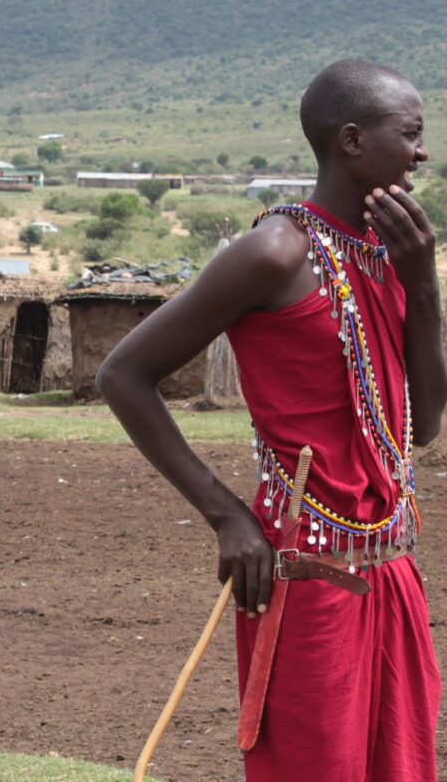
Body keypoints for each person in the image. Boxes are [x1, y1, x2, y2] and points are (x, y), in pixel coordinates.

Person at [96, 59, 445, 781]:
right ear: (352, 141)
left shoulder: (389, 254)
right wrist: (226, 515)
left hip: (392, 567)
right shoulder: (273, 253)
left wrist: (423, 285)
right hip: (305, 570)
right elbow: (123, 375)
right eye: (409, 134)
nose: (422, 152)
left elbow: (427, 422)